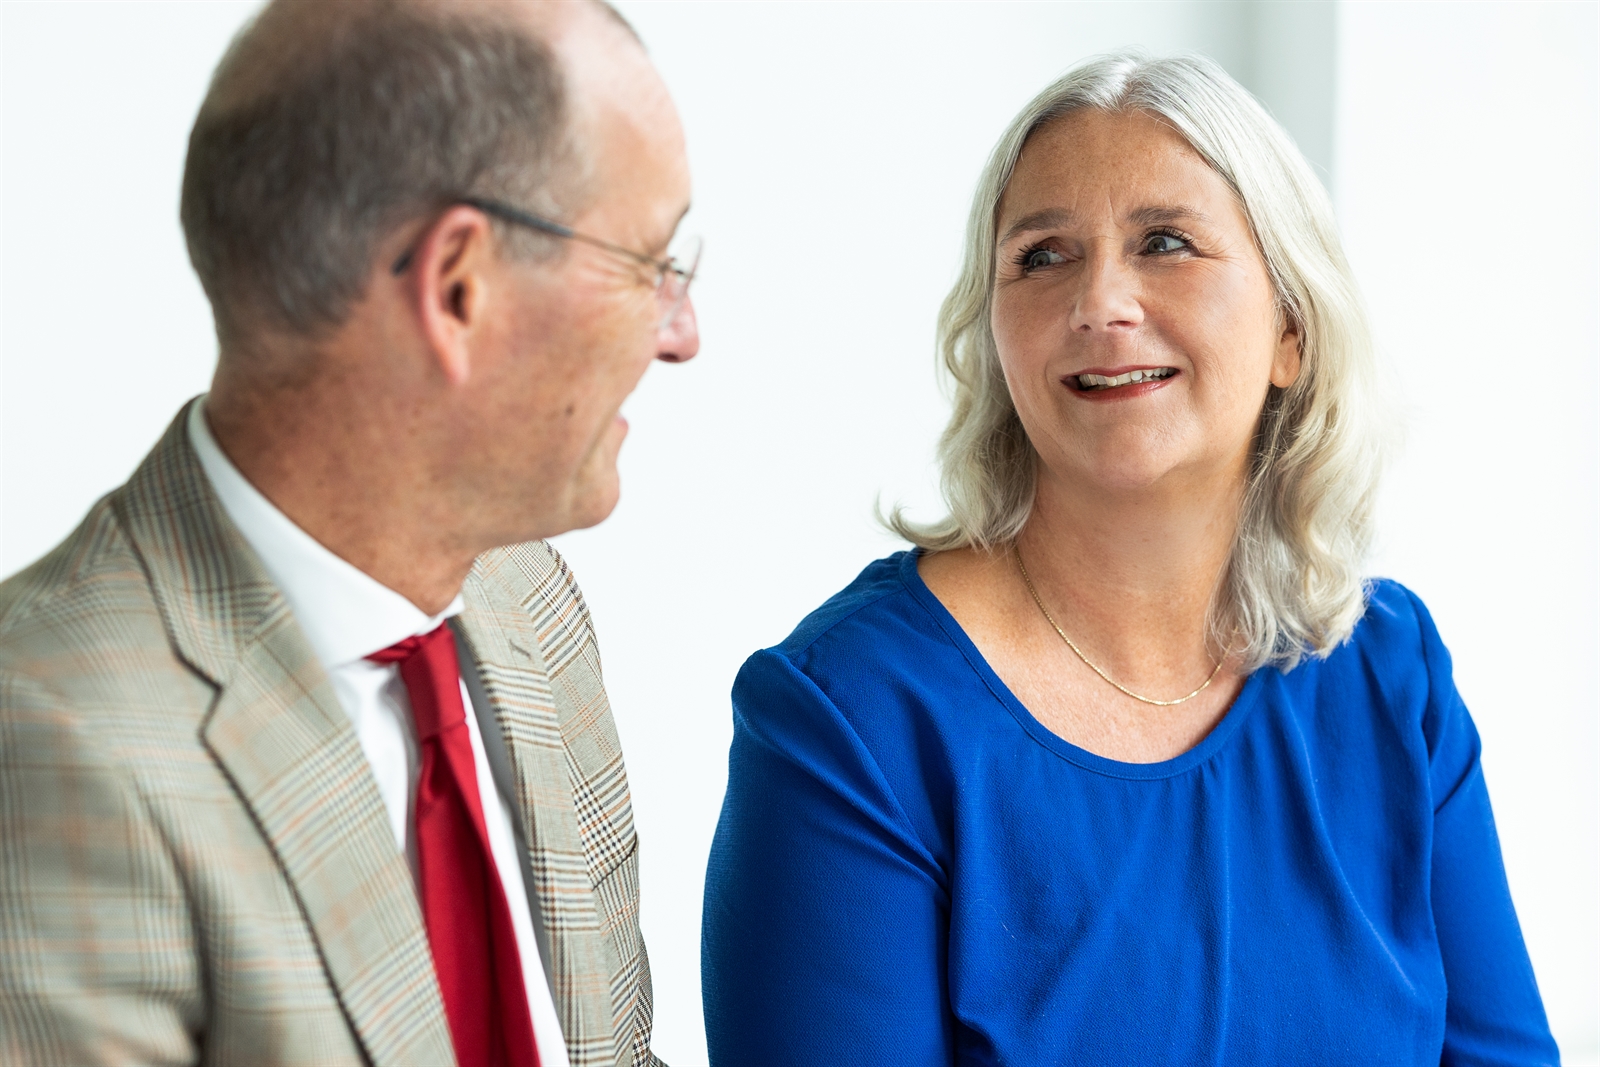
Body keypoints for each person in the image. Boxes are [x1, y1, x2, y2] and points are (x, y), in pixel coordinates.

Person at [703, 52, 1557, 1066]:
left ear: (1290, 327)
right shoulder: (849, 716)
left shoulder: (1387, 667)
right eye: (1042, 257)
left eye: (1163, 242)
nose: (1100, 301)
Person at [0, 1, 698, 1064]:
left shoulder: (528, 605)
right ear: (459, 287)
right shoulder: (53, 746)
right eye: (649, 263)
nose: (681, 331)